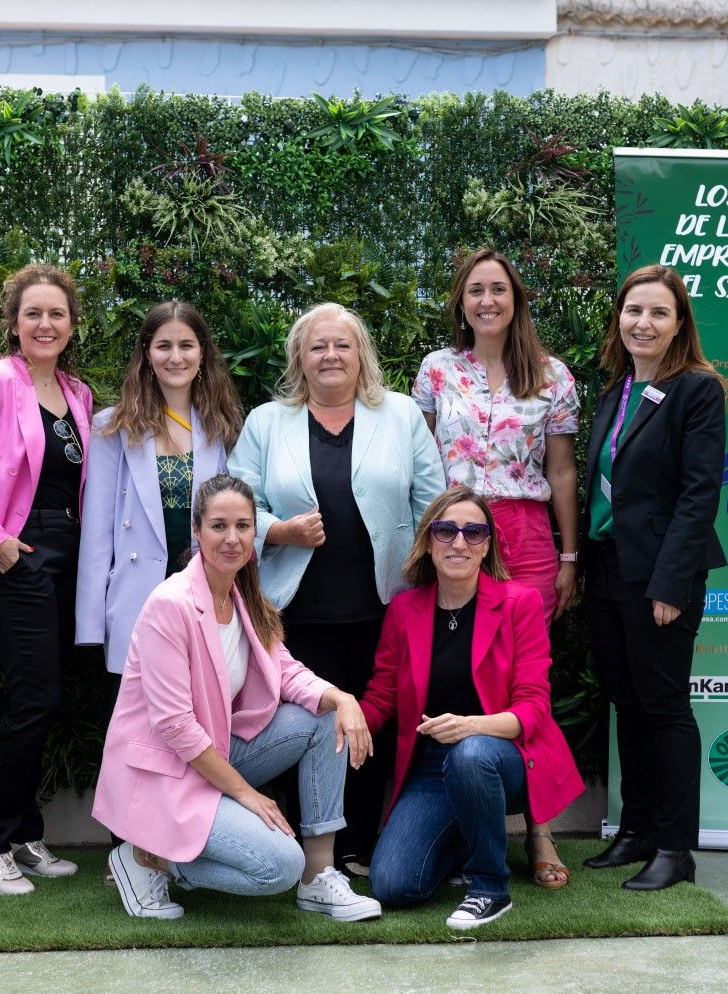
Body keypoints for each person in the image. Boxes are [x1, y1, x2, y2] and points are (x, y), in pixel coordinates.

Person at [92, 475, 383, 922]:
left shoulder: (244, 594)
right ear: (197, 530)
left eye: (243, 526)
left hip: (217, 752)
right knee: (279, 866)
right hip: (167, 774)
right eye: (219, 526)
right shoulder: (170, 604)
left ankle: (319, 877)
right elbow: (175, 726)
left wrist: (340, 697)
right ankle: (147, 859)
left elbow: (284, 670)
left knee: (323, 717)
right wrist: (247, 794)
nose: (232, 539)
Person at [228, 302, 446, 878]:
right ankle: (311, 848)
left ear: (361, 355)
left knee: (377, 722)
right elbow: (237, 505)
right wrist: (280, 530)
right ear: (300, 356)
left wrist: (435, 580)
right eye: (318, 346)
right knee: (309, 725)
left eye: (342, 345)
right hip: (294, 609)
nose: (331, 355)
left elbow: (433, 504)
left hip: (386, 606)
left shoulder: (399, 416)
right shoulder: (266, 421)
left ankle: (365, 846)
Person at [412, 247, 582, 888]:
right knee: (456, 671)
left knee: (525, 684)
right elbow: (420, 461)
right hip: (455, 531)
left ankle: (539, 831)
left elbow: (562, 470)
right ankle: (453, 818)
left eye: (499, 291)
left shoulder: (552, 376)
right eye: (475, 290)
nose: (487, 301)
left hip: (527, 534)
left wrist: (568, 555)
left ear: (516, 301)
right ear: (461, 302)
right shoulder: (435, 370)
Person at [360, 487, 583, 929]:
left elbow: (534, 708)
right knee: (393, 885)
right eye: (445, 531)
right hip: (431, 768)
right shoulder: (405, 610)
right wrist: (345, 719)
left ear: (487, 545)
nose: (459, 543)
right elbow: (383, 694)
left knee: (471, 753)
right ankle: (466, 837)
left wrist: (471, 727)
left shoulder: (520, 603)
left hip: (506, 758)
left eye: (473, 532)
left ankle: (489, 887)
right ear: (427, 541)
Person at [579, 263, 727, 891]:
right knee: (627, 705)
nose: (643, 322)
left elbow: (698, 496)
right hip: (607, 569)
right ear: (620, 318)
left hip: (661, 577)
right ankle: (636, 830)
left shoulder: (697, 388)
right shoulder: (616, 393)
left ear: (678, 325)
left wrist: (670, 584)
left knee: (665, 710)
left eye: (658, 313)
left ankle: (675, 848)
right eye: (634, 310)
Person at [0, 263, 92, 896]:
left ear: (71, 325)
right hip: (20, 553)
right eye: (32, 312)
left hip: (72, 558)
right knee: (33, 698)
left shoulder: (79, 394)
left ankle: (24, 833)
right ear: (13, 321)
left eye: (56, 313)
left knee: (49, 696)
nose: (45, 323)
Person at [76, 300, 245, 675]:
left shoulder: (222, 425)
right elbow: (97, 530)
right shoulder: (112, 427)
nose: (175, 357)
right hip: (138, 595)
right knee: (136, 722)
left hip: (204, 591)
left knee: (204, 713)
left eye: (186, 345)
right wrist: (90, 624)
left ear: (202, 352)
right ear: (146, 353)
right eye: (163, 346)